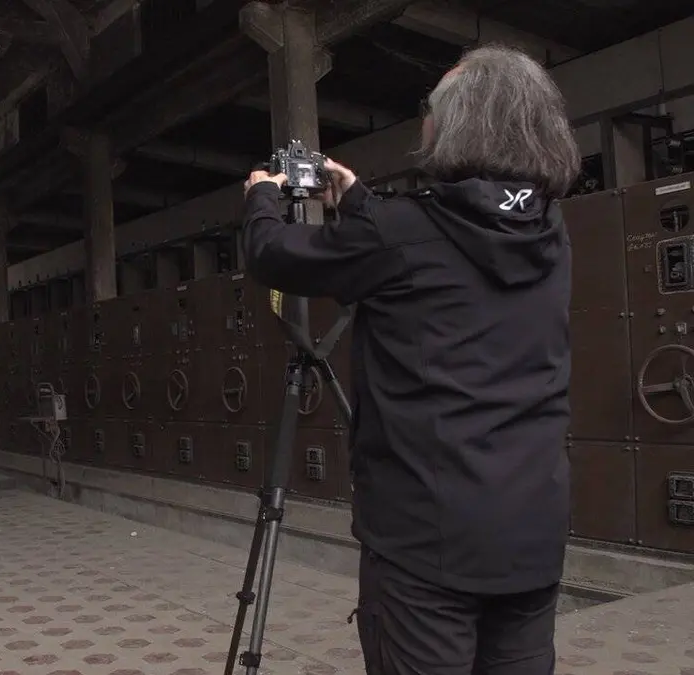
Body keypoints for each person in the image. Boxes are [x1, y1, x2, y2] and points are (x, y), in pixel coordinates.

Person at [241, 45, 580, 675]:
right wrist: (363, 203)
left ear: (456, 124)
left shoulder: (400, 233)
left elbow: (274, 257)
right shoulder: (550, 234)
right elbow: (447, 249)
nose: (424, 116)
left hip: (428, 544)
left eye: (432, 105)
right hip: (532, 532)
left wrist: (262, 197)